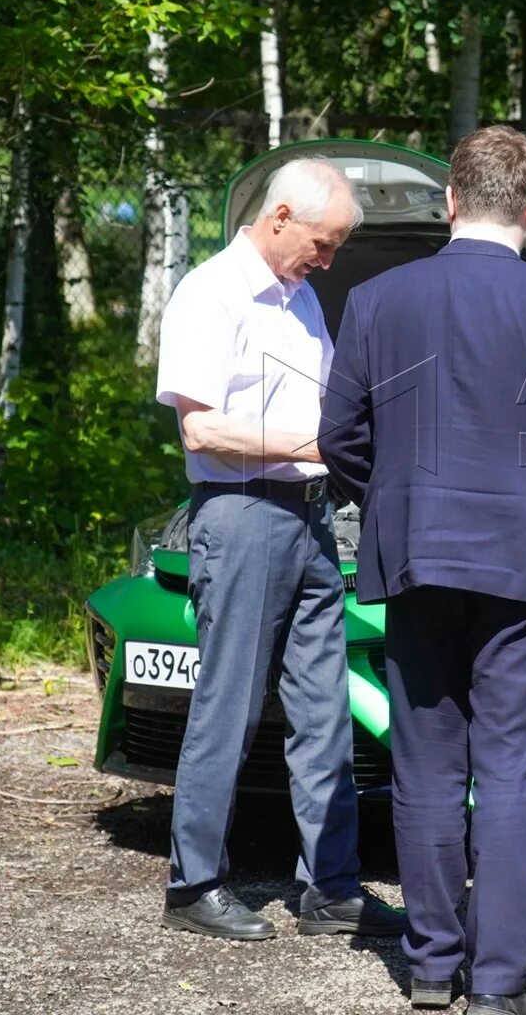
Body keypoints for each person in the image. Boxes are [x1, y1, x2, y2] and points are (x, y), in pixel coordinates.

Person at [319, 125, 526, 1014]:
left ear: (449, 202)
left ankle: (430, 968)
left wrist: (393, 503)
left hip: (416, 563)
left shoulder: (378, 302)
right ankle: (497, 984)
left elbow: (340, 435)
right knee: (511, 772)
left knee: (423, 768)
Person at [154, 157, 407, 942]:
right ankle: (193, 884)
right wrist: (316, 442)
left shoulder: (302, 302)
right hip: (239, 515)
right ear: (282, 217)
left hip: (309, 518)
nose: (329, 260)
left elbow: (334, 411)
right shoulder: (209, 293)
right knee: (227, 706)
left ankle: (328, 887)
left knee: (322, 711)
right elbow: (201, 428)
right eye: (324, 244)